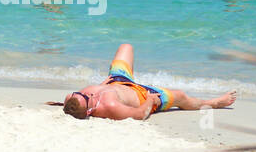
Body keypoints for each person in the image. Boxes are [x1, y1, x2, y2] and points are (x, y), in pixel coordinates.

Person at [61, 43, 236, 120]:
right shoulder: (111, 107)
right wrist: (150, 102)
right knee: (180, 96)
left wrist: (102, 85)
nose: (89, 93)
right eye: (89, 97)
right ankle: (214, 103)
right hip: (144, 95)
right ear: (90, 111)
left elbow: (78, 99)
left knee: (126, 47)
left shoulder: (72, 98)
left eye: (82, 93)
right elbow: (139, 115)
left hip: (117, 81)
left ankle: (128, 79)